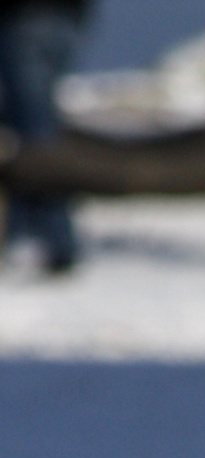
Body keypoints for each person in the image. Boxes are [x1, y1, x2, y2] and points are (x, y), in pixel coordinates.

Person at [0, 0, 90, 273]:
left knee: (34, 133)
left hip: (28, 17)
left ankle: (51, 239)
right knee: (34, 125)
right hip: (62, 17)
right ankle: (29, 233)